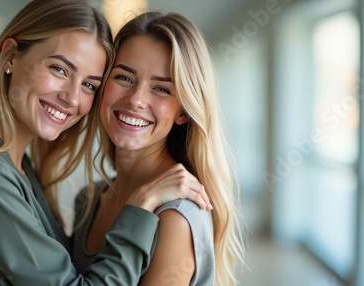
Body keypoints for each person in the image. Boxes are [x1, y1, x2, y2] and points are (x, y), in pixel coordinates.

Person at [0, 1, 212, 285]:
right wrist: (141, 206)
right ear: (10, 57)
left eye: (89, 84)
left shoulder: (20, 168)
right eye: (59, 69)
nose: (72, 97)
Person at [71, 11, 244, 286]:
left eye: (161, 89)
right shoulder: (88, 200)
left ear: (183, 112)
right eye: (124, 78)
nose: (136, 100)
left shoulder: (175, 219)